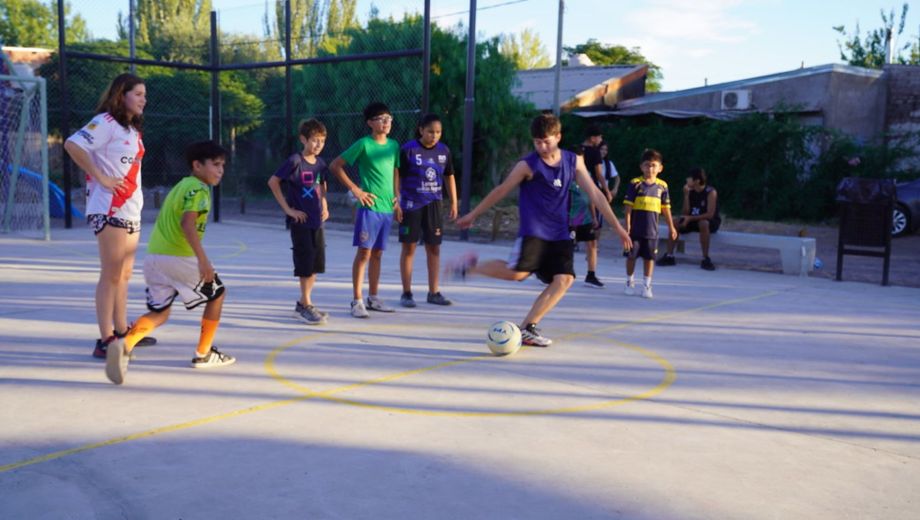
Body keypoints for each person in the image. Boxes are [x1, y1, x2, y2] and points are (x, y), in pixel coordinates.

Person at [450, 113, 632, 347]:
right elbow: (501, 190)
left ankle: (528, 327)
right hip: (534, 231)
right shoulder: (527, 165)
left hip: (561, 232)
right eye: (537, 142)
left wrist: (618, 227)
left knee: (565, 279)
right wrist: (473, 214)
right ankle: (471, 267)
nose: (542, 147)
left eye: (546, 141)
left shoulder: (573, 161)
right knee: (518, 274)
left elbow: (595, 194)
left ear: (558, 137)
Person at [109, 141, 235, 385]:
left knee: (160, 312)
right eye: (216, 164)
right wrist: (203, 260)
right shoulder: (199, 189)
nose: (221, 170)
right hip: (179, 256)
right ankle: (204, 353)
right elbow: (187, 224)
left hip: (155, 258)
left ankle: (125, 344)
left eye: (223, 165)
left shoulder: (181, 186)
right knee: (217, 295)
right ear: (197, 165)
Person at [64, 73, 155, 359]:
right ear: (121, 95)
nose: (143, 99)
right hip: (109, 207)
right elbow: (72, 145)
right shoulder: (105, 122)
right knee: (111, 274)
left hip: (130, 208)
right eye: (138, 94)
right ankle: (105, 339)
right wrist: (101, 177)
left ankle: (122, 330)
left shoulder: (131, 130)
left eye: (144, 95)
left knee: (124, 274)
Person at [329, 102, 402, 318]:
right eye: (381, 119)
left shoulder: (394, 145)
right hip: (369, 208)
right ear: (370, 122)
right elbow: (335, 165)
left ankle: (373, 298)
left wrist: (397, 198)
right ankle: (357, 300)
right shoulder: (364, 144)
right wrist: (356, 190)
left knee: (378, 254)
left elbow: (395, 171)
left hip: (387, 208)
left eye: (389, 118)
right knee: (364, 253)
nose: (386, 122)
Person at [267, 118, 331, 325]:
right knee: (305, 264)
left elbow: (321, 186)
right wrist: (288, 210)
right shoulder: (295, 161)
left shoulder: (321, 164)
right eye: (315, 140)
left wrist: (325, 205)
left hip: (317, 222)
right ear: (303, 139)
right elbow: (273, 182)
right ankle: (306, 304)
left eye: (322, 140)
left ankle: (303, 304)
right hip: (301, 223)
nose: (319, 144)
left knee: (315, 264)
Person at [397, 113, 458, 307]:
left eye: (438, 132)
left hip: (434, 204)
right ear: (421, 130)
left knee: (434, 247)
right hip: (411, 204)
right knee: (409, 247)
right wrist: (396, 201)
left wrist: (454, 202)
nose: (434, 135)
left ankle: (434, 292)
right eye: (431, 131)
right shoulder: (409, 150)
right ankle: (406, 293)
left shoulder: (444, 151)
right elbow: (397, 176)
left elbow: (449, 176)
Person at [623, 149, 677, 299]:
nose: (650, 169)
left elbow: (666, 208)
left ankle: (647, 285)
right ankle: (629, 281)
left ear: (660, 168)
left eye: (653, 165)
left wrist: (671, 227)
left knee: (649, 258)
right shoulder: (635, 183)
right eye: (647, 165)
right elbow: (628, 207)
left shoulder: (663, 186)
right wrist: (627, 225)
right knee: (631, 257)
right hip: (635, 230)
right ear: (641, 167)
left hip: (652, 231)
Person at [658, 167, 720, 271]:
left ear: (697, 180)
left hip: (709, 222)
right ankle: (669, 256)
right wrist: (686, 196)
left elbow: (710, 214)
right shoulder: (690, 191)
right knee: (675, 223)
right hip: (691, 220)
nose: (687, 180)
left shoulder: (710, 192)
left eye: (689, 178)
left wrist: (689, 218)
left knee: (703, 223)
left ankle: (705, 258)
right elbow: (685, 212)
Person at [568, 161, 604, 288]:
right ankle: (560, 272)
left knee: (592, 243)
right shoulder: (563, 174)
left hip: (584, 216)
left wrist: (594, 216)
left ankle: (591, 275)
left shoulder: (586, 175)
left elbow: (590, 196)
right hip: (569, 217)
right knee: (565, 245)